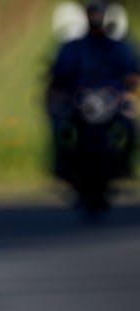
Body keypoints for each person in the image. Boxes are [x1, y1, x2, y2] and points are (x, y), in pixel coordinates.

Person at [46, 0, 140, 213]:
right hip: (81, 104)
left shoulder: (118, 47)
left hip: (110, 103)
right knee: (62, 130)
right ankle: (64, 169)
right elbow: (59, 74)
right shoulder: (74, 48)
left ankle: (124, 166)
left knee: (129, 128)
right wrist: (60, 95)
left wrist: (129, 89)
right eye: (93, 14)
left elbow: (131, 72)